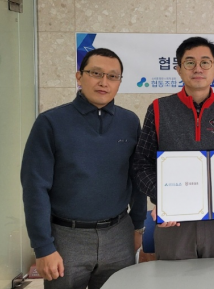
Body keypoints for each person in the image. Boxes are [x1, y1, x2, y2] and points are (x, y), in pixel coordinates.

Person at [21, 48, 147, 289]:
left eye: (113, 76)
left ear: (119, 82)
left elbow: (137, 177)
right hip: (66, 238)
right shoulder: (50, 123)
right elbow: (35, 188)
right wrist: (43, 247)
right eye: (96, 73)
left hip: (119, 235)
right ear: (79, 77)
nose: (104, 82)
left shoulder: (129, 121)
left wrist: (137, 226)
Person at [133, 36, 214, 260]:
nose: (198, 69)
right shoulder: (159, 109)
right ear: (178, 69)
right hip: (173, 221)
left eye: (205, 62)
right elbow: (141, 164)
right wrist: (163, 199)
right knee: (174, 277)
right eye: (190, 62)